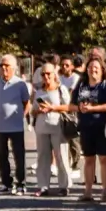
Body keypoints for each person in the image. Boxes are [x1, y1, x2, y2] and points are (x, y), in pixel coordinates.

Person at [73, 54, 106, 202]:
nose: (93, 70)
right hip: (86, 127)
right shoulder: (82, 85)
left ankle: (105, 192)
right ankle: (88, 192)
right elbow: (74, 103)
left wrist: (92, 108)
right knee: (88, 159)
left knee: (104, 159)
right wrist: (80, 107)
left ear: (102, 70)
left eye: (96, 67)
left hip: (103, 127)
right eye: (90, 67)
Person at [32, 62, 76, 197]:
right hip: (42, 127)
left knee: (61, 156)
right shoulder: (39, 91)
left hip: (58, 126)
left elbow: (68, 107)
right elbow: (33, 110)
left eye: (48, 74)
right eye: (43, 74)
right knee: (42, 157)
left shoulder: (61, 89)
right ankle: (43, 186)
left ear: (54, 74)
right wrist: (39, 110)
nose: (46, 76)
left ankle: (64, 186)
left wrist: (53, 108)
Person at [0, 55, 31, 194]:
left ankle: (21, 183)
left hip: (16, 126)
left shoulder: (20, 84)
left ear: (13, 68)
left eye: (7, 65)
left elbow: (27, 103)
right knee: (1, 156)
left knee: (19, 156)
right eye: (1, 65)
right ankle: (6, 183)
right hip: (0, 126)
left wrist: (22, 115)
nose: (4, 68)